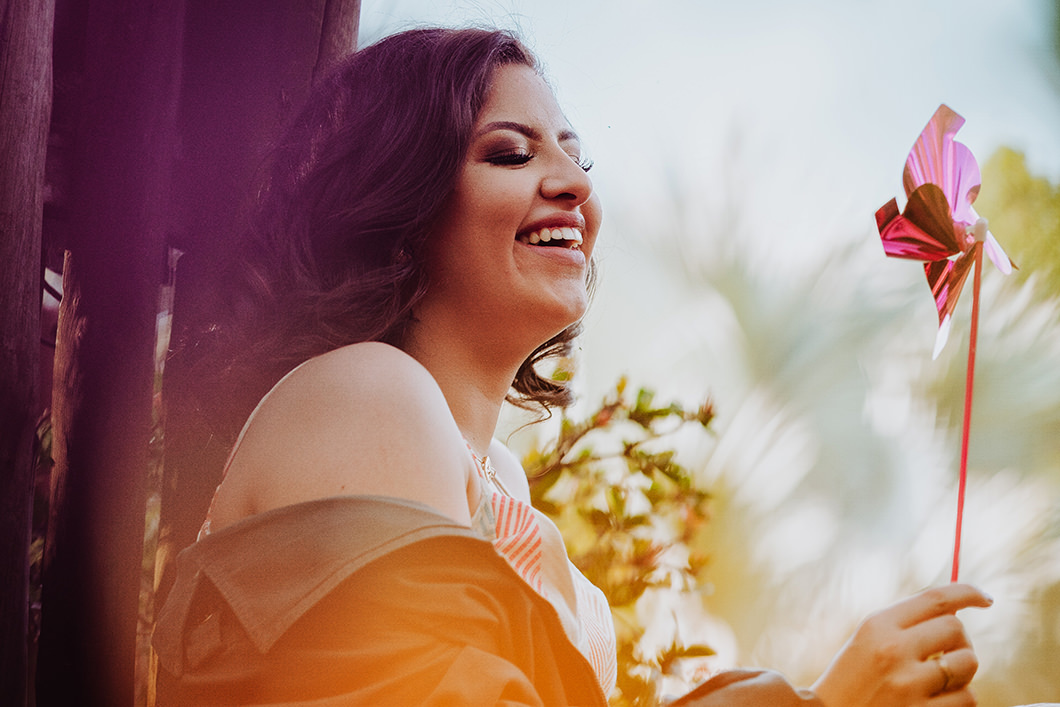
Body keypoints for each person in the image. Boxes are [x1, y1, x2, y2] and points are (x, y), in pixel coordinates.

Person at [153, 27, 993, 706]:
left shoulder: (508, 497)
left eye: (575, 156)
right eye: (512, 155)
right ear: (396, 210)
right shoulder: (364, 394)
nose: (574, 187)